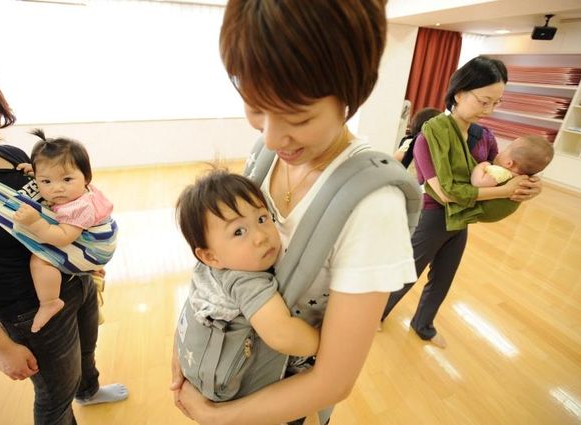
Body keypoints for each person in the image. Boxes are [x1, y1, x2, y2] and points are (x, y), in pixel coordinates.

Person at [170, 2, 417, 424]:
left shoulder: (373, 208)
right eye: (255, 107)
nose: (271, 136)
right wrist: (185, 349)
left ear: (352, 94)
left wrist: (215, 418)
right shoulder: (267, 155)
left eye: (297, 118)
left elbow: (332, 380)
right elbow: (216, 264)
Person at [0, 46, 127, 424]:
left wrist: (86, 257)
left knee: (85, 352)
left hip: (73, 276)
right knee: (55, 395)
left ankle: (89, 391)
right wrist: (3, 349)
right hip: (30, 309)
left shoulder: (11, 155)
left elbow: (63, 204)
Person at [380, 56, 543, 348]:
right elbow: (445, 193)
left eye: (496, 103)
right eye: (484, 101)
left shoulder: (485, 137)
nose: (489, 110)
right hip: (433, 215)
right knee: (407, 273)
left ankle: (423, 325)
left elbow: (500, 173)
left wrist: (528, 184)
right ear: (459, 93)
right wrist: (505, 192)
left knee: (444, 276)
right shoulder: (429, 137)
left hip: (462, 217)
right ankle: (375, 315)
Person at [175, 168, 319, 401]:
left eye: (262, 219)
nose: (261, 236)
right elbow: (281, 335)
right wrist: (325, 342)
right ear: (210, 256)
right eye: (239, 231)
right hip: (235, 389)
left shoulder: (205, 269)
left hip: (198, 365)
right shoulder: (246, 282)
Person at [13, 129, 115, 333]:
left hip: (96, 247)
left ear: (86, 177)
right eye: (46, 181)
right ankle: (93, 278)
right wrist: (38, 172)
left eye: (66, 180)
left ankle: (50, 302)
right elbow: (55, 176)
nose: (56, 188)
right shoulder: (80, 190)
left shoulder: (78, 207)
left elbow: (61, 238)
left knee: (40, 260)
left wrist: (35, 223)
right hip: (101, 236)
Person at [471, 135, 553, 188]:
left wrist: (481, 166)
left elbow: (477, 183)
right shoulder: (523, 179)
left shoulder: (500, 172)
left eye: (505, 149)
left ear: (509, 163)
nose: (500, 152)